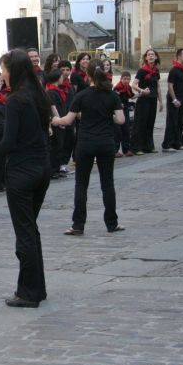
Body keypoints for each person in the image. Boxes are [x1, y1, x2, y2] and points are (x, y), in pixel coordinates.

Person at [0, 50, 51, 308]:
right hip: (41, 168)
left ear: (14, 70)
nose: (2, 75)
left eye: (4, 69)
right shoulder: (38, 94)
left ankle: (28, 292)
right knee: (31, 229)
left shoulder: (17, 100)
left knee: (25, 234)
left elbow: (8, 141)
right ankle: (37, 288)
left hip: (22, 172)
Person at [52, 61, 125, 235]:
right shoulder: (111, 95)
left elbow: (68, 121)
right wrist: (107, 116)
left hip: (85, 144)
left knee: (81, 185)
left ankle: (78, 225)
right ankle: (112, 223)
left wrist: (54, 120)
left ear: (88, 76)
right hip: (106, 143)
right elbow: (121, 120)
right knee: (107, 184)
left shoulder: (82, 95)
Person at [130, 49, 163, 154]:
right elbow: (134, 84)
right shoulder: (142, 70)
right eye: (149, 55)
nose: (151, 56)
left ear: (156, 57)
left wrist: (161, 101)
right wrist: (142, 90)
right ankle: (137, 148)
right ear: (146, 58)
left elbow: (158, 87)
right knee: (140, 123)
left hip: (153, 99)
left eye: (153, 54)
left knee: (150, 123)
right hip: (143, 100)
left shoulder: (156, 71)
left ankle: (148, 146)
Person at [161, 48, 183, 152]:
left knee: (180, 122)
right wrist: (174, 100)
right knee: (172, 122)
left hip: (181, 99)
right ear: (179, 57)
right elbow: (170, 86)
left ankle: (177, 143)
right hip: (174, 100)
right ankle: (167, 145)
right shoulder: (174, 70)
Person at [44, 70, 67, 180]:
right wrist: (60, 120)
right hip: (56, 122)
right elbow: (53, 108)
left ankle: (57, 168)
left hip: (61, 120)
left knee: (60, 146)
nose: (63, 78)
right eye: (62, 76)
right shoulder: (51, 92)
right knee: (56, 146)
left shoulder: (58, 90)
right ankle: (53, 170)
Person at [56, 60, 76, 175]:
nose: (65, 72)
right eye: (62, 70)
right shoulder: (56, 86)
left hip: (70, 116)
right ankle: (58, 164)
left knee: (70, 139)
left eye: (67, 70)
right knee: (60, 142)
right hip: (60, 117)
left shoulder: (70, 86)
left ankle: (64, 163)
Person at [114, 71, 134, 157]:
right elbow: (114, 98)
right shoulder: (117, 88)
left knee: (126, 129)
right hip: (118, 111)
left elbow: (132, 96)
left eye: (128, 79)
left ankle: (126, 149)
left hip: (125, 110)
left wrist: (141, 93)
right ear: (121, 79)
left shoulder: (128, 87)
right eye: (124, 79)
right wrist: (119, 104)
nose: (126, 81)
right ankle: (115, 150)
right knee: (118, 131)